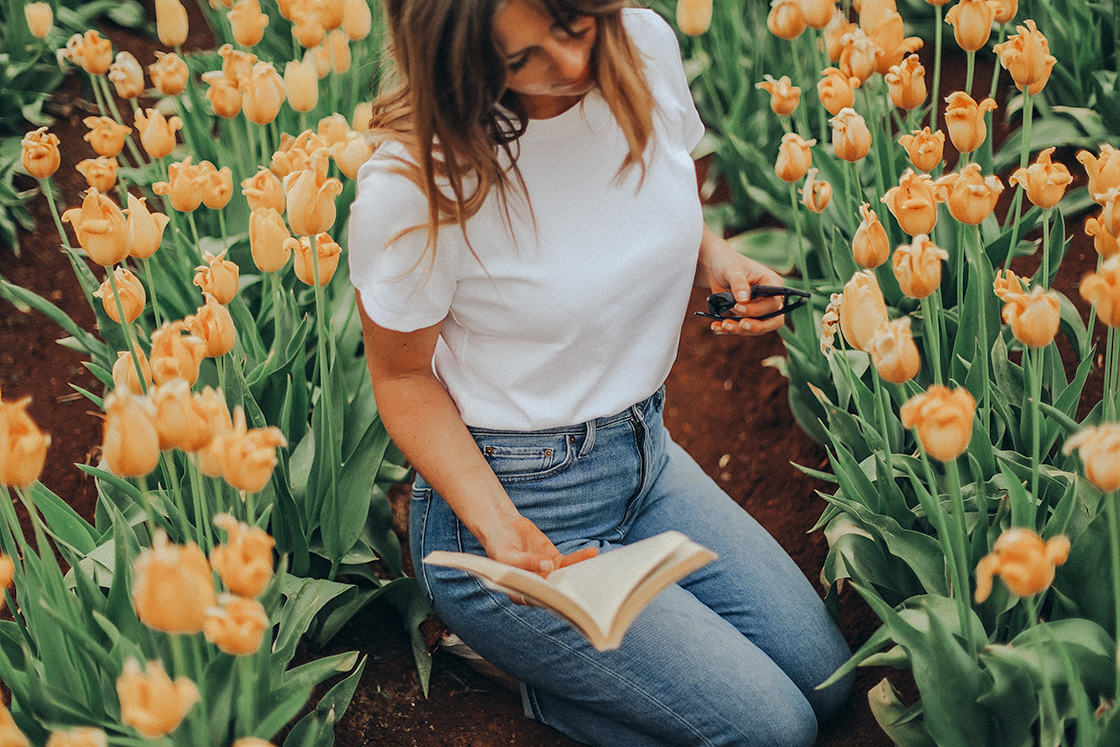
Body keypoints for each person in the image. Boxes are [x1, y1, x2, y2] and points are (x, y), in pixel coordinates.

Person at [348, 1, 853, 744]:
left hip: (645, 459)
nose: (573, 65)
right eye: (522, 59)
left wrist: (711, 257)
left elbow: (651, 190)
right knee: (776, 732)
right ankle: (524, 667)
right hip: (511, 516)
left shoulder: (641, 46)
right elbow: (402, 380)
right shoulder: (418, 183)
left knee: (827, 683)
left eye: (577, 24)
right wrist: (499, 524)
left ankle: (577, 670)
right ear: (459, 56)